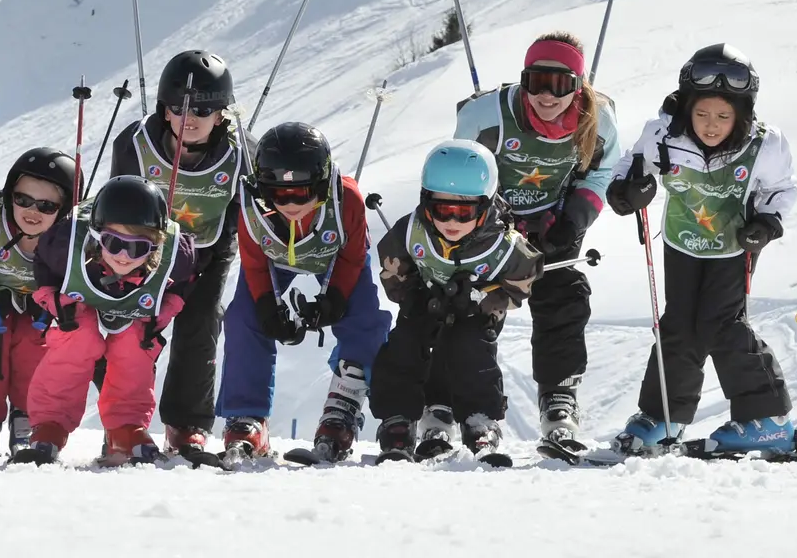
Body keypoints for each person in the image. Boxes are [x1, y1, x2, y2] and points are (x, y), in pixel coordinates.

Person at [605, 44, 797, 455]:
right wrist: (626, 191)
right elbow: (632, 164)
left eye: (723, 117)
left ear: (742, 114)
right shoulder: (664, 135)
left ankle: (767, 420)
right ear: (687, 108)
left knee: (722, 325)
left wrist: (766, 224)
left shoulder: (763, 145)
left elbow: (781, 189)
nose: (712, 125)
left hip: (733, 245)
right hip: (682, 241)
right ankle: (663, 416)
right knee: (678, 324)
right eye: (702, 114)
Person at [454, 31, 620, 447]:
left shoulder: (598, 120)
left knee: (563, 297)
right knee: (477, 305)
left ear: (578, 85)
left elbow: (601, 172)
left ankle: (559, 397)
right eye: (536, 82)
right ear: (523, 79)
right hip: (490, 223)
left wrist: (575, 218)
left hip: (554, 221)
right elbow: (459, 174)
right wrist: (485, 224)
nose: (547, 96)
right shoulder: (485, 117)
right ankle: (467, 406)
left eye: (561, 84)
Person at [215, 122, 390, 463]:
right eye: (279, 194)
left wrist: (335, 298)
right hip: (274, 257)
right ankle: (247, 416)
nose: (291, 204)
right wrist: (268, 307)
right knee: (243, 316)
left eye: (303, 192)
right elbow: (253, 264)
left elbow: (353, 257)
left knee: (366, 315)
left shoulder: (347, 200)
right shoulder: (252, 208)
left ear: (323, 184)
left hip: (334, 256)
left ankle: (344, 403)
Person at [108, 49, 243, 457]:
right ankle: (123, 422)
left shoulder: (240, 154)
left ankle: (185, 425)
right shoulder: (136, 144)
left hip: (207, 250)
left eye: (204, 108)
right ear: (164, 110)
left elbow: (244, 210)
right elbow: (117, 201)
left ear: (222, 114)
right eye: (180, 107)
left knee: (201, 322)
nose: (191, 117)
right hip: (144, 250)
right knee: (133, 328)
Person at [371, 140, 542, 462]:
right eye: (441, 210)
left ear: (486, 206)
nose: (452, 222)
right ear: (426, 202)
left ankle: (479, 419)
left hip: (475, 311)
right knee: (404, 343)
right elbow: (392, 269)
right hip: (425, 302)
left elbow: (522, 283)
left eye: (464, 212)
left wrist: (484, 298)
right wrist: (415, 293)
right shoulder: (411, 232)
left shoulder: (504, 245)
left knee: (467, 346)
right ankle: (397, 420)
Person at [22, 175, 198, 465]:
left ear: (156, 245)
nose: (124, 257)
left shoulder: (175, 256)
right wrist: (51, 298)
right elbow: (43, 264)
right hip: (82, 298)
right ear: (96, 236)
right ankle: (50, 424)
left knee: (135, 344)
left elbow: (184, 280)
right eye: (113, 243)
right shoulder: (65, 244)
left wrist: (168, 307)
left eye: (138, 248)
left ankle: (126, 426)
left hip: (136, 305)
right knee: (78, 336)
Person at [0, 147, 76, 463]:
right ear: (10, 197)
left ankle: (28, 422)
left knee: (35, 350)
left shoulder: (65, 240)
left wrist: (53, 302)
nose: (32, 211)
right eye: (23, 200)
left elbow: (77, 278)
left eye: (46, 206)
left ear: (63, 209)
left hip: (40, 310)